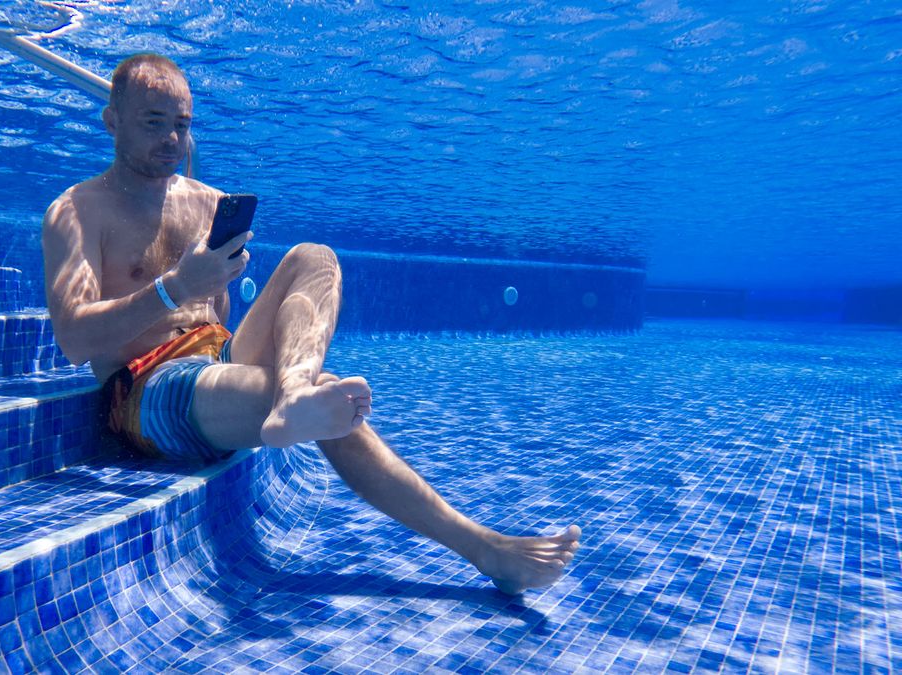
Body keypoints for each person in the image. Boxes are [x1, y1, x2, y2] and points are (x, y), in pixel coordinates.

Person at [41, 53, 580, 594]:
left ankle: (293, 393)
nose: (171, 140)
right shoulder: (79, 211)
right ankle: (482, 547)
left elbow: (217, 322)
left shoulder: (206, 202)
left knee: (314, 256)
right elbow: (72, 338)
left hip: (212, 363)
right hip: (143, 389)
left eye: (181, 125)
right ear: (112, 121)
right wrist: (175, 287)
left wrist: (231, 319)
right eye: (152, 122)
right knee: (333, 405)